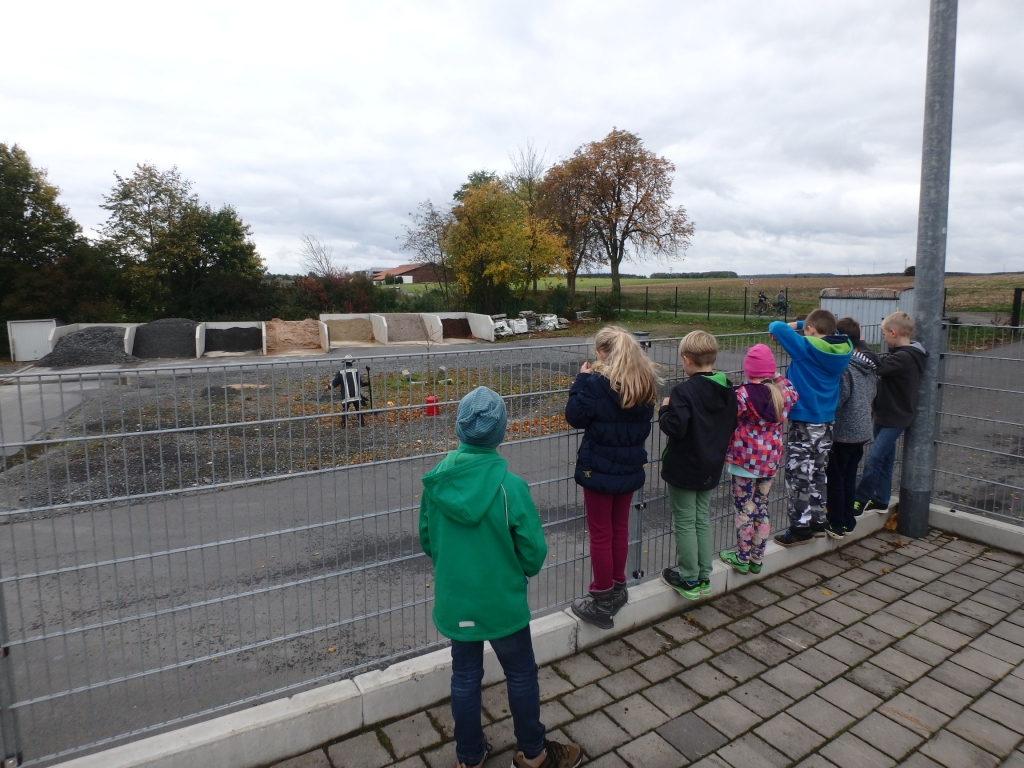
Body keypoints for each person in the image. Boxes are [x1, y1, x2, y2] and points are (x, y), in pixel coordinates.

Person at [419, 386, 582, 768]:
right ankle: (533, 754)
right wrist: (520, 571)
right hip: (502, 601)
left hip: (456, 598)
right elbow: (533, 552)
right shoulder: (511, 487)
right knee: (521, 673)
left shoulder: (436, 484)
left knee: (464, 676)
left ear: (458, 428)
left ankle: (469, 757)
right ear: (502, 432)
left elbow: (428, 540)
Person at [565, 326, 658, 629]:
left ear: (602, 354)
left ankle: (602, 597)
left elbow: (575, 417)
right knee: (619, 528)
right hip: (629, 467)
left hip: (599, 471)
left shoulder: (595, 384)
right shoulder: (643, 384)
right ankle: (618, 586)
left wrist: (581, 379)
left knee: (601, 532)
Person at [659, 331, 737, 598]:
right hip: (711, 465)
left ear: (687, 359)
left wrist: (664, 409)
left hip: (685, 466)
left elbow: (674, 428)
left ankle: (689, 577)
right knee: (701, 517)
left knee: (684, 520)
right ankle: (704, 573)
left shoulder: (684, 391)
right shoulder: (728, 387)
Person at [769, 310, 853, 546]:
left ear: (812, 331)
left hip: (804, 421)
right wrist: (808, 325)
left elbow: (776, 326)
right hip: (826, 421)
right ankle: (817, 521)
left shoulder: (806, 348)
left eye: (807, 329)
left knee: (798, 476)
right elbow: (834, 330)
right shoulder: (843, 347)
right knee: (817, 471)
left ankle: (800, 528)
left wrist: (798, 324)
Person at [719, 344, 797, 574]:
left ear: (748, 370)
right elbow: (790, 387)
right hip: (770, 461)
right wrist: (773, 374)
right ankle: (757, 557)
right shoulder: (783, 394)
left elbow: (727, 409)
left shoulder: (742, 394)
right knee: (762, 505)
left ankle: (742, 557)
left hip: (744, 461)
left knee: (744, 508)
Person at [855, 311, 928, 514]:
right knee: (885, 460)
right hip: (886, 414)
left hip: (895, 418)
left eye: (884, 334)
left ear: (894, 332)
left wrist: (861, 347)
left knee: (874, 458)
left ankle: (859, 499)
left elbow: (876, 367)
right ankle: (881, 499)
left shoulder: (903, 358)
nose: (884, 338)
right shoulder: (905, 355)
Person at [825, 318, 878, 539]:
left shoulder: (845, 369)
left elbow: (839, 399)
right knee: (848, 476)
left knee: (835, 477)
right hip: (862, 431)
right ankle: (848, 519)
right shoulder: (868, 366)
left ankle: (836, 522)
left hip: (843, 433)